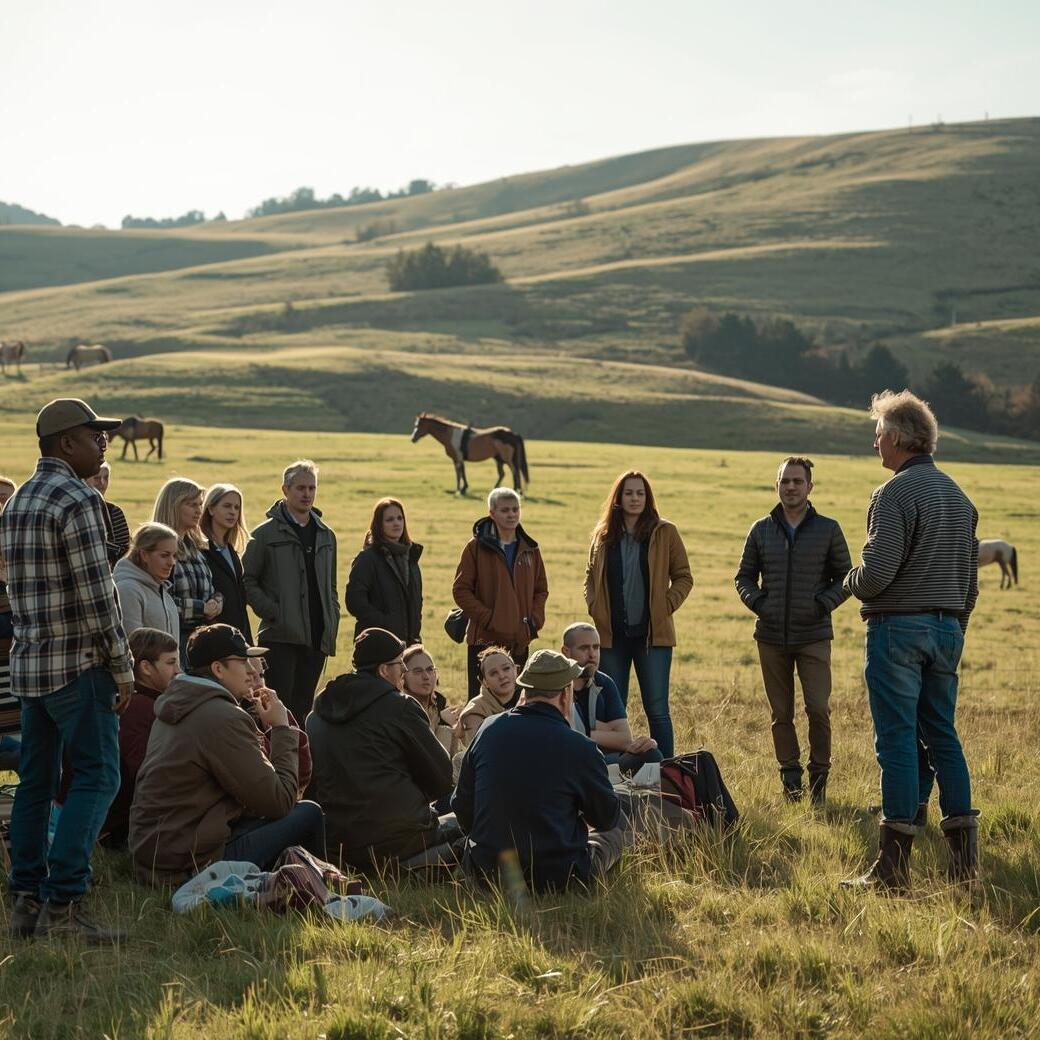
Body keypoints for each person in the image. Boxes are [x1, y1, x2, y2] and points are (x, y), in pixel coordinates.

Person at [0, 398, 131, 942]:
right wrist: (122, 665)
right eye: (93, 435)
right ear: (65, 443)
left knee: (36, 783)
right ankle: (65, 902)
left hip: (32, 665)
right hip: (79, 664)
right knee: (99, 776)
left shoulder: (18, 501)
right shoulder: (78, 498)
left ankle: (25, 899)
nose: (103, 443)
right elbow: (99, 594)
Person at [842, 390, 980, 893]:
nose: (875, 443)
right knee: (943, 735)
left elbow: (877, 574)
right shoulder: (960, 498)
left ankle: (893, 868)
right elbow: (970, 583)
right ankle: (964, 865)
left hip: (897, 629)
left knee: (897, 739)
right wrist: (954, 627)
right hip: (947, 628)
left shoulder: (893, 494)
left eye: (878, 434)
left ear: (898, 438)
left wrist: (847, 582)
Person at [129, 624, 325, 885]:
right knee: (308, 813)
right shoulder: (221, 716)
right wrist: (281, 728)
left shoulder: (177, 705)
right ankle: (321, 888)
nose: (251, 670)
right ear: (218, 669)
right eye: (242, 662)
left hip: (158, 854)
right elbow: (279, 801)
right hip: (188, 865)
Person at [452, 649, 625, 892]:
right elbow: (606, 818)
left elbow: (461, 804)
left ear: (524, 691)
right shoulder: (580, 747)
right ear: (565, 694)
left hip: (485, 872)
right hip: (559, 876)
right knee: (617, 828)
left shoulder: (488, 729)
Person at [734, 457, 852, 805]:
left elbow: (846, 578)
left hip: (814, 635)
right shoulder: (760, 529)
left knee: (818, 708)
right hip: (771, 637)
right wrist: (760, 604)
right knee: (780, 713)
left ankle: (819, 782)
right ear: (777, 485)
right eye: (785, 481)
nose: (791, 487)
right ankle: (790, 782)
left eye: (798, 481)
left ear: (810, 487)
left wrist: (820, 605)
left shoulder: (828, 529)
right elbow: (743, 577)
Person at [306, 628, 456, 871]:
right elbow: (442, 778)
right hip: (401, 838)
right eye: (400, 664)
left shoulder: (317, 714)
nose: (404, 671)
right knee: (476, 821)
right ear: (384, 670)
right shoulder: (400, 707)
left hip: (339, 844)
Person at [584, 471, 693, 758]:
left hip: (652, 637)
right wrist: (594, 606)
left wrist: (665, 607)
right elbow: (590, 576)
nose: (635, 498)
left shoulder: (665, 532)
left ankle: (666, 774)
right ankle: (614, 770)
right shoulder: (603, 535)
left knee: (657, 710)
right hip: (612, 637)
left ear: (648, 498)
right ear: (618, 498)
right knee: (611, 710)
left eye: (640, 493)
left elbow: (683, 577)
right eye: (629, 493)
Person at [243, 460, 340, 723]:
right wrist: (273, 612)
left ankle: (301, 751)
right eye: (300, 488)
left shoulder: (326, 535)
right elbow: (247, 579)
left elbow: (331, 586)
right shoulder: (263, 535)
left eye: (312, 488)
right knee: (279, 708)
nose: (307, 494)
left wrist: (332, 618)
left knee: (304, 708)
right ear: (285, 490)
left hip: (317, 637)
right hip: (280, 637)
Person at [453, 488, 548, 698]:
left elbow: (541, 589)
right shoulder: (475, 548)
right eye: (505, 510)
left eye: (515, 509)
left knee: (516, 702)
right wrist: (490, 618)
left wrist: (533, 621)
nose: (511, 514)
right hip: (484, 642)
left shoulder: (531, 549)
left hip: (519, 640)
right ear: (492, 513)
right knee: (482, 703)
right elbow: (461, 590)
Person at [101, 627, 181, 846]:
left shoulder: (150, 702)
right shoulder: (138, 708)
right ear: (145, 667)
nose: (178, 670)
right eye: (171, 663)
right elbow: (145, 773)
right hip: (122, 825)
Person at [562, 622, 663, 776]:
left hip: (602, 761)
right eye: (584, 648)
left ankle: (627, 790)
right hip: (567, 763)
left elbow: (624, 739)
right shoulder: (556, 684)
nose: (592, 654)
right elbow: (561, 735)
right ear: (566, 652)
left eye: (596, 647)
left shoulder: (604, 682)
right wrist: (605, 730)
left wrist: (583, 729)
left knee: (651, 754)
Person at [152, 478, 221, 659]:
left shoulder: (196, 548)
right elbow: (159, 600)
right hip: (174, 641)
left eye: (200, 504)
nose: (199, 510)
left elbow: (210, 589)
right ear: (173, 506)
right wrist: (202, 608)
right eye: (192, 505)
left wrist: (217, 601)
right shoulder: (157, 549)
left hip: (202, 640)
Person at [345, 497, 423, 644]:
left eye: (400, 518)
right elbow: (355, 601)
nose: (396, 523)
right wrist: (385, 625)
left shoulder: (411, 557)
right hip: (377, 643)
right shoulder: (367, 558)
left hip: (409, 643)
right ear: (379, 524)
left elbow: (417, 602)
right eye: (389, 520)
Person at [201, 483, 253, 641]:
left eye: (237, 507)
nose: (233, 512)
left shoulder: (231, 551)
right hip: (214, 638)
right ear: (210, 509)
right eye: (227, 506)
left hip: (238, 636)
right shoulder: (201, 549)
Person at [113, 523, 180, 638]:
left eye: (174, 556)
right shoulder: (128, 590)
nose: (172, 562)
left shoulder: (162, 590)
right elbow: (133, 643)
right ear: (144, 555)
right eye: (164, 555)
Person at [457, 646, 522, 750]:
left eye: (506, 668)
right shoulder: (475, 712)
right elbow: (479, 752)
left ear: (515, 670)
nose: (502, 676)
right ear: (485, 682)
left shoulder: (529, 700)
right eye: (493, 673)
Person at [402, 644, 460, 759]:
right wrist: (443, 723)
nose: (426, 676)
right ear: (403, 676)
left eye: (430, 669)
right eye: (418, 671)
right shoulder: (401, 708)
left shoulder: (439, 704)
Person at [84, 461, 130, 568]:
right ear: (84, 481)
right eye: (96, 478)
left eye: (106, 477)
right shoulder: (76, 511)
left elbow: (125, 552)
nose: (102, 483)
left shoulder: (114, 512)